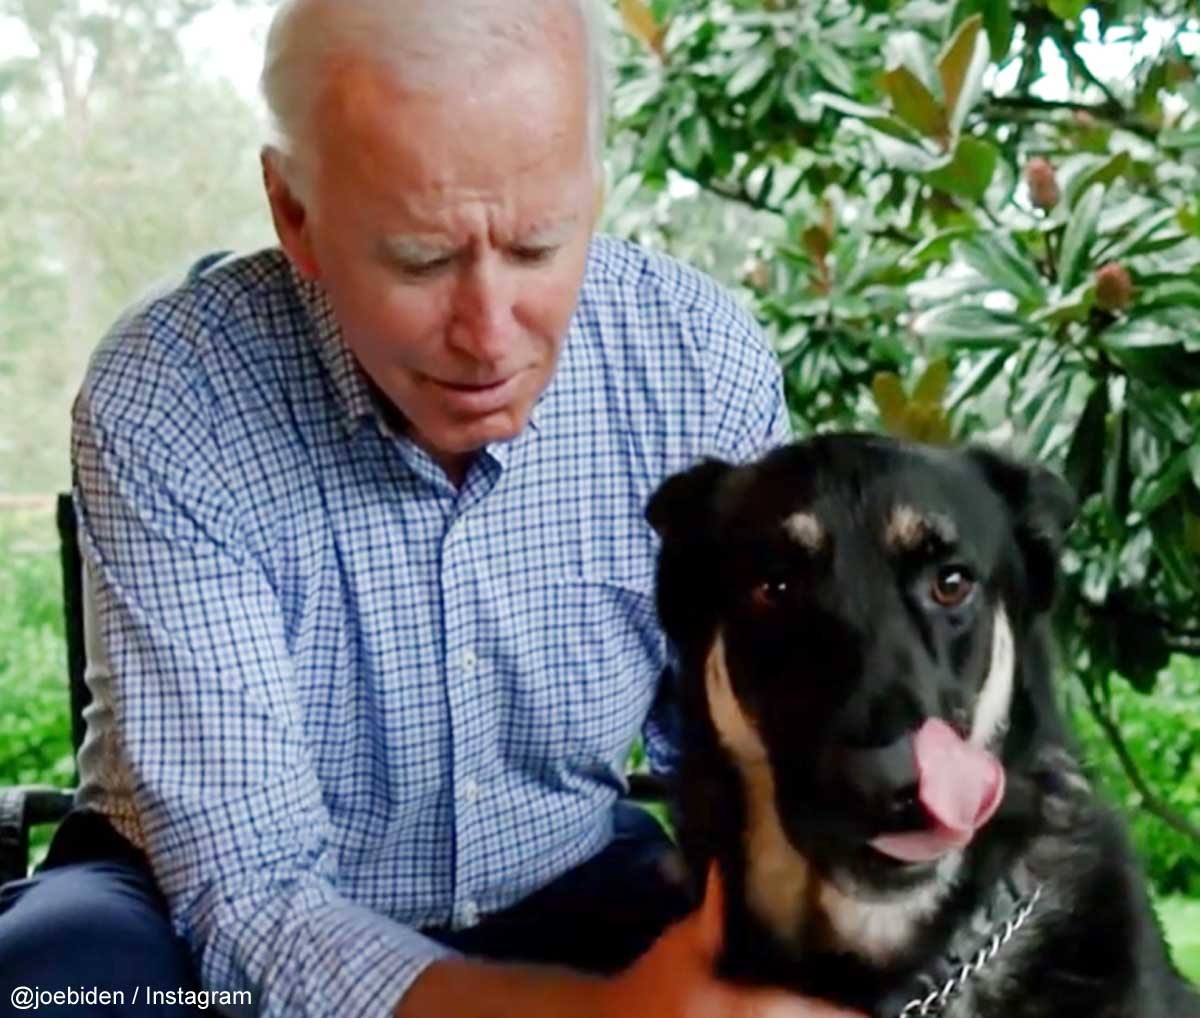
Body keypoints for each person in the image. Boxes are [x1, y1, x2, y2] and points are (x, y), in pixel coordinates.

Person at [0, 2, 864, 1016]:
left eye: (539, 247)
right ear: (296, 214)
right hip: (185, 907)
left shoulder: (700, 365)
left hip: (561, 873)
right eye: (420, 259)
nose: (490, 336)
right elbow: (249, 894)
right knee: (52, 989)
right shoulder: (175, 395)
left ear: (593, 190)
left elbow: (749, 756)